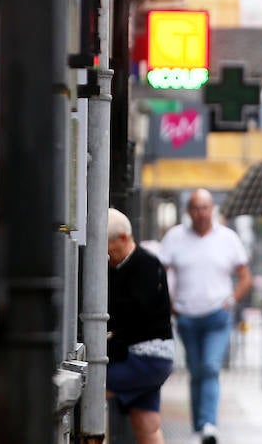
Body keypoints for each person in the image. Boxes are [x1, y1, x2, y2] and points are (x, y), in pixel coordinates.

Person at [158, 189, 252, 444]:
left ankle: (209, 424)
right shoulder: (175, 237)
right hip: (187, 317)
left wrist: (231, 300)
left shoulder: (228, 238)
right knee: (197, 371)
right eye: (196, 208)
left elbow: (245, 276)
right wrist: (170, 303)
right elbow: (159, 274)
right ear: (189, 211)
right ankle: (200, 426)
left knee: (210, 368)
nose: (201, 213)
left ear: (213, 210)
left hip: (217, 316)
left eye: (205, 207)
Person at [106, 208, 175, 444]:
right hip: (148, 360)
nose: (105, 254)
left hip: (145, 358)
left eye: (108, 246)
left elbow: (132, 317)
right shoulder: (120, 266)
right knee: (146, 424)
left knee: (91, 391)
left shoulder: (146, 265)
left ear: (123, 238)